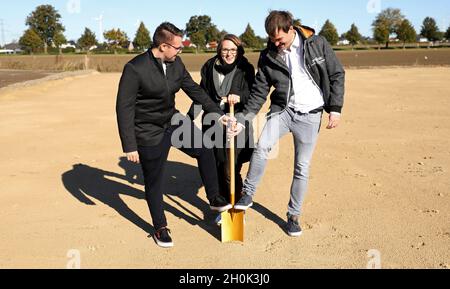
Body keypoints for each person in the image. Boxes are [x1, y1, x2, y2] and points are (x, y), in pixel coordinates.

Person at [116, 22, 233, 248]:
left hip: (172, 120)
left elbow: (195, 90)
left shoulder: (176, 63)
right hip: (148, 130)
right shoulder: (135, 68)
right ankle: (160, 227)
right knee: (154, 181)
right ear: (163, 46)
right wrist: (130, 145)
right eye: (177, 47)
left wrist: (219, 115)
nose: (181, 51)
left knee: (204, 147)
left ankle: (214, 198)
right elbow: (124, 107)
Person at [231, 11, 345, 237]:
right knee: (262, 147)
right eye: (272, 40)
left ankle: (293, 216)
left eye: (279, 39)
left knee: (302, 167)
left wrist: (335, 109)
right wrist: (244, 119)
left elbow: (337, 74)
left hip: (311, 116)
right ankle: (248, 194)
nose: (276, 43)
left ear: (291, 28)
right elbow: (260, 91)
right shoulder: (268, 56)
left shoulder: (317, 44)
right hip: (283, 111)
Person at [188, 34, 255, 224]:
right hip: (214, 124)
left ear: (238, 51)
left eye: (233, 50)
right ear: (219, 50)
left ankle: (237, 207)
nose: (229, 54)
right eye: (225, 49)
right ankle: (225, 207)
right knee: (217, 166)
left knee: (230, 168)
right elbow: (202, 96)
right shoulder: (209, 67)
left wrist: (239, 96)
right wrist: (189, 118)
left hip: (237, 123)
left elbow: (254, 93)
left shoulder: (245, 68)